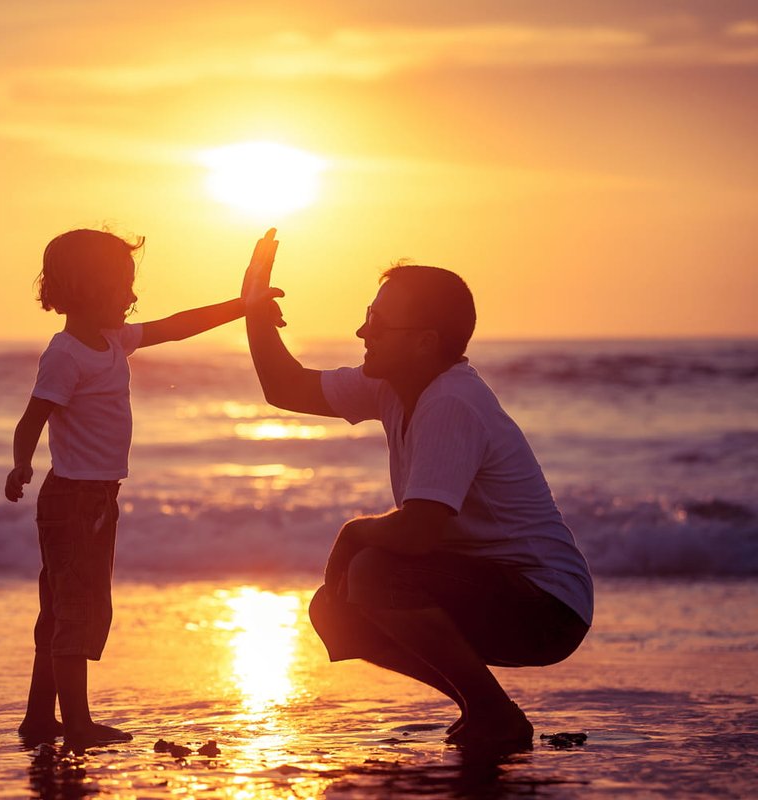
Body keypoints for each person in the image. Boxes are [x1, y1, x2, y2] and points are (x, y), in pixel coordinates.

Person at [241, 237, 592, 751]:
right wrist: (253, 310)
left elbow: (420, 531)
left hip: (547, 607)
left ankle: (495, 713)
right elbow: (285, 388)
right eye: (368, 317)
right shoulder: (393, 383)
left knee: (374, 573)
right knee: (335, 610)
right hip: (492, 587)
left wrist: (353, 533)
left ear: (425, 342)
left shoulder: (451, 401)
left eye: (378, 323)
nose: (363, 332)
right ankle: (482, 706)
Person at [7, 228, 282, 750]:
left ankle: (40, 717)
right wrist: (21, 464)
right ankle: (78, 724)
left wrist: (242, 306)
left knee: (62, 607)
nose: (132, 296)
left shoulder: (112, 340)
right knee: (77, 609)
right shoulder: (66, 354)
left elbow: (175, 327)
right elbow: (32, 418)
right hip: (75, 500)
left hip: (95, 498)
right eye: (122, 284)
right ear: (88, 287)